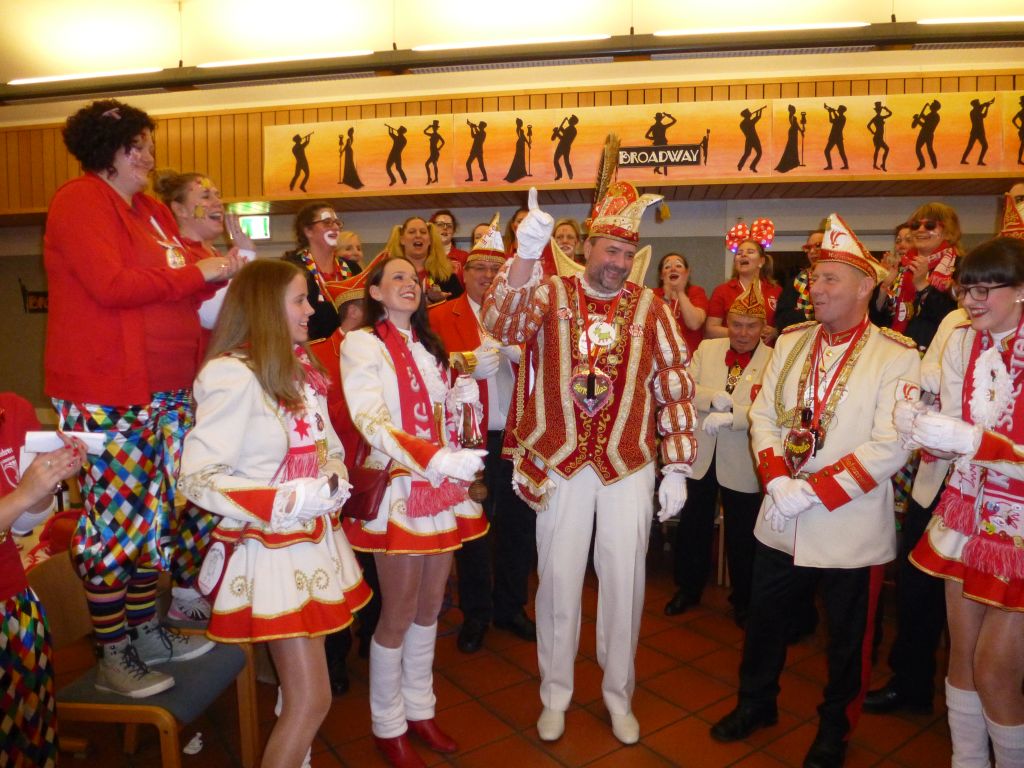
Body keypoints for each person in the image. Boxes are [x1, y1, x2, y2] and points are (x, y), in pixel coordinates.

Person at [482, 181, 696, 746]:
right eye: (611, 250)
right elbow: (501, 325)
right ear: (588, 246)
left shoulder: (651, 307)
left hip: (628, 462)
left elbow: (674, 384)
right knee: (557, 581)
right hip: (560, 460)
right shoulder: (550, 292)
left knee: (626, 584)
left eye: (628, 253)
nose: (619, 263)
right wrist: (526, 254)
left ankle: (618, 695)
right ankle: (554, 695)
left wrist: (677, 466)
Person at [710, 214, 920, 768]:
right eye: (813, 278)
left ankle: (835, 730)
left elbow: (892, 445)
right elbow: (763, 415)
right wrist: (777, 479)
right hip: (782, 514)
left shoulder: (897, 355)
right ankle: (756, 704)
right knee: (763, 622)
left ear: (865, 286)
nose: (816, 288)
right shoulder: (793, 341)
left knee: (849, 640)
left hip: (849, 522)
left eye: (830, 278)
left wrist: (817, 490)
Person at [45, 99, 235, 697]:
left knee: (156, 520)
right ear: (107, 151)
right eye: (137, 147)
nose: (149, 157)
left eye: (149, 145)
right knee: (116, 525)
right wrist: (201, 274)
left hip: (168, 391)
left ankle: (145, 631)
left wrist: (215, 270)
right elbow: (112, 285)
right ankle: (113, 652)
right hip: (110, 391)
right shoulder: (80, 201)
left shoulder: (151, 211)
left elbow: (181, 275)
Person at [180, 258, 370, 768]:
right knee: (311, 700)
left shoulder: (301, 365)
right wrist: (284, 500)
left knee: (303, 698)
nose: (311, 310)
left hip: (313, 540)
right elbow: (196, 476)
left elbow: (328, 445)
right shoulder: (231, 374)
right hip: (269, 549)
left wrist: (332, 480)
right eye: (300, 300)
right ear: (267, 306)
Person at [340, 256, 489, 768]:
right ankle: (388, 723)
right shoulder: (363, 344)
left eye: (413, 278)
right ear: (375, 292)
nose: (409, 284)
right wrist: (434, 457)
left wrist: (463, 403)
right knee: (399, 612)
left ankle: (420, 708)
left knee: (430, 608)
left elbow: (443, 421)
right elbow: (370, 419)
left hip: (439, 487)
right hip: (400, 487)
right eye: (397, 277)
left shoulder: (430, 347)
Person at [903, 236, 1024, 768]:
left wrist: (972, 441)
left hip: (1019, 527)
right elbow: (956, 430)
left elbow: (978, 440)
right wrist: (923, 431)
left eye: (984, 289)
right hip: (969, 513)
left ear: (1020, 291)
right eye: (965, 289)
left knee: (995, 671)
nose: (971, 301)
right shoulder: (961, 343)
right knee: (961, 662)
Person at [153, 169, 257, 624]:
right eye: (204, 195)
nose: (217, 201)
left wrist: (238, 261)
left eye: (218, 192)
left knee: (217, 487)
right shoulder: (177, 256)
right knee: (195, 491)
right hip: (178, 396)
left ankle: (203, 580)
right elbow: (217, 313)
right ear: (178, 208)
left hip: (209, 393)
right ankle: (182, 588)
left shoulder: (211, 256)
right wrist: (242, 260)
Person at [429, 225, 537, 654]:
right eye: (480, 268)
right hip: (465, 441)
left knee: (517, 524)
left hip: (516, 437)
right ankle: (476, 613)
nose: (488, 276)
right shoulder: (440, 316)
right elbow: (425, 373)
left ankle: (511, 607)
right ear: (464, 272)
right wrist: (462, 364)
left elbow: (550, 369)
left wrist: (524, 356)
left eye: (496, 269)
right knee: (472, 528)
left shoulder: (524, 316)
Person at [664, 281, 771, 626]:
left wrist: (736, 415)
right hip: (701, 454)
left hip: (742, 459)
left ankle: (744, 599)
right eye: (736, 324)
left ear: (762, 327)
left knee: (743, 533)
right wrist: (712, 399)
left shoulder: (774, 359)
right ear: (727, 323)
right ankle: (687, 589)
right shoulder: (707, 349)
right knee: (693, 526)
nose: (743, 333)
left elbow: (772, 407)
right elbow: (685, 387)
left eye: (751, 326)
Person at [1, 395, 85, 767]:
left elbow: (23, 523)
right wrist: (23, 494)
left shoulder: (12, 410)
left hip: (14, 604)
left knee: (32, 742)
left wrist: (45, 482)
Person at [880, 201, 961, 352]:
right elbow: (879, 319)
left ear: (948, 231)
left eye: (930, 225)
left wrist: (922, 285)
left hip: (936, 353)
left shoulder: (960, 266)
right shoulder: (902, 266)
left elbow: (954, 318)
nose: (920, 229)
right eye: (916, 225)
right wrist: (883, 287)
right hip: (894, 351)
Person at [284, 202, 352, 341]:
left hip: (350, 345)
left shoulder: (351, 267)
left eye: (337, 223)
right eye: (327, 222)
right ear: (308, 231)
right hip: (309, 346)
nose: (335, 227)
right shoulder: (293, 268)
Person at [706, 221, 781, 342]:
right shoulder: (722, 291)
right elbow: (711, 330)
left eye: (750, 252)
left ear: (761, 261)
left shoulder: (776, 291)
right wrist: (744, 333)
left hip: (767, 352)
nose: (743, 255)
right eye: (739, 253)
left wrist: (775, 332)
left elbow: (785, 326)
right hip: (731, 351)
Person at [383, 216, 463, 305]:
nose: (418, 235)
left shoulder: (447, 276)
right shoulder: (388, 274)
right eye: (412, 232)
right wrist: (429, 300)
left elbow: (459, 308)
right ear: (402, 240)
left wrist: (442, 302)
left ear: (430, 240)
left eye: (423, 232)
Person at [654, 251, 708, 357]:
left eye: (678, 266)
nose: (673, 269)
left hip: (690, 359)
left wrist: (680, 292)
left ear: (686, 273)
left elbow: (694, 324)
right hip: (660, 359)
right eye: (667, 267)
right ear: (661, 275)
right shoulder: (652, 295)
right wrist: (666, 296)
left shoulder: (696, 292)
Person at [774, 228, 824, 331]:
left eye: (818, 245)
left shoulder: (841, 280)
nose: (812, 251)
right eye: (808, 248)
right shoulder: (796, 282)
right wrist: (811, 313)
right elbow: (782, 320)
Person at [913, 100, 941, 171]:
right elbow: (926, 119)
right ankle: (927, 164)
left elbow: (926, 125)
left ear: (934, 107)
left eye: (932, 104)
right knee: (925, 149)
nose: (930, 105)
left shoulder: (935, 116)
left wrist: (918, 120)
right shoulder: (932, 115)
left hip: (926, 134)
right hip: (925, 134)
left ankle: (932, 165)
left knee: (927, 149)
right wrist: (921, 116)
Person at [775, 105, 803, 173]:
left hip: (793, 132)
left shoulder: (792, 116)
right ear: (792, 110)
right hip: (793, 132)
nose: (795, 110)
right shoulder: (792, 117)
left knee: (792, 146)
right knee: (792, 147)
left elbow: (796, 125)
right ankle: (793, 162)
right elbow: (796, 125)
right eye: (794, 109)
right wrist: (801, 131)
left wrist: (800, 131)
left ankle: (794, 161)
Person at [737, 106, 764, 173]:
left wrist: (759, 111)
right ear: (747, 115)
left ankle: (740, 166)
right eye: (749, 113)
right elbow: (758, 117)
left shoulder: (742, 123)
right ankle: (752, 166)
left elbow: (757, 118)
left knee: (747, 153)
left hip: (749, 140)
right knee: (759, 153)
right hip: (754, 139)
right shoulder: (749, 122)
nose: (750, 113)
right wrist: (759, 111)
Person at [504, 118, 531, 183]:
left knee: (520, 158)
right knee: (519, 158)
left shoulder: (519, 129)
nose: (522, 124)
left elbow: (523, 136)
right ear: (519, 123)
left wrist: (527, 143)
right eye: (521, 123)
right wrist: (527, 142)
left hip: (521, 143)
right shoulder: (519, 129)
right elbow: (522, 137)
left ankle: (521, 172)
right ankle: (518, 173)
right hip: (520, 144)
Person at [867, 101, 893, 171]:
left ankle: (877, 165)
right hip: (878, 137)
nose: (880, 110)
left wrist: (872, 132)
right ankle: (881, 165)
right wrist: (873, 132)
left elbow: (890, 114)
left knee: (879, 150)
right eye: (879, 109)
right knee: (885, 149)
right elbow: (868, 125)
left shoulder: (879, 117)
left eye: (880, 109)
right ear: (877, 110)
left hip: (879, 136)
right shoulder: (878, 118)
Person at [823, 104, 849, 171]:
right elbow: (835, 119)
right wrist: (833, 112)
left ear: (841, 111)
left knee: (827, 151)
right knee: (841, 152)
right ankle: (846, 165)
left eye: (839, 109)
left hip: (834, 137)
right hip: (838, 137)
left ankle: (830, 166)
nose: (838, 109)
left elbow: (831, 120)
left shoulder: (842, 118)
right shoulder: (842, 117)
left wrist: (830, 113)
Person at [424, 120, 445, 185]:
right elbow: (424, 132)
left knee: (430, 164)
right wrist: (428, 127)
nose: (433, 129)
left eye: (434, 128)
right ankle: (434, 178)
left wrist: (439, 148)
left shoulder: (437, 135)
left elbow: (443, 142)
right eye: (433, 127)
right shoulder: (432, 134)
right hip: (433, 152)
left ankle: (431, 179)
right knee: (432, 164)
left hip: (435, 152)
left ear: (436, 128)